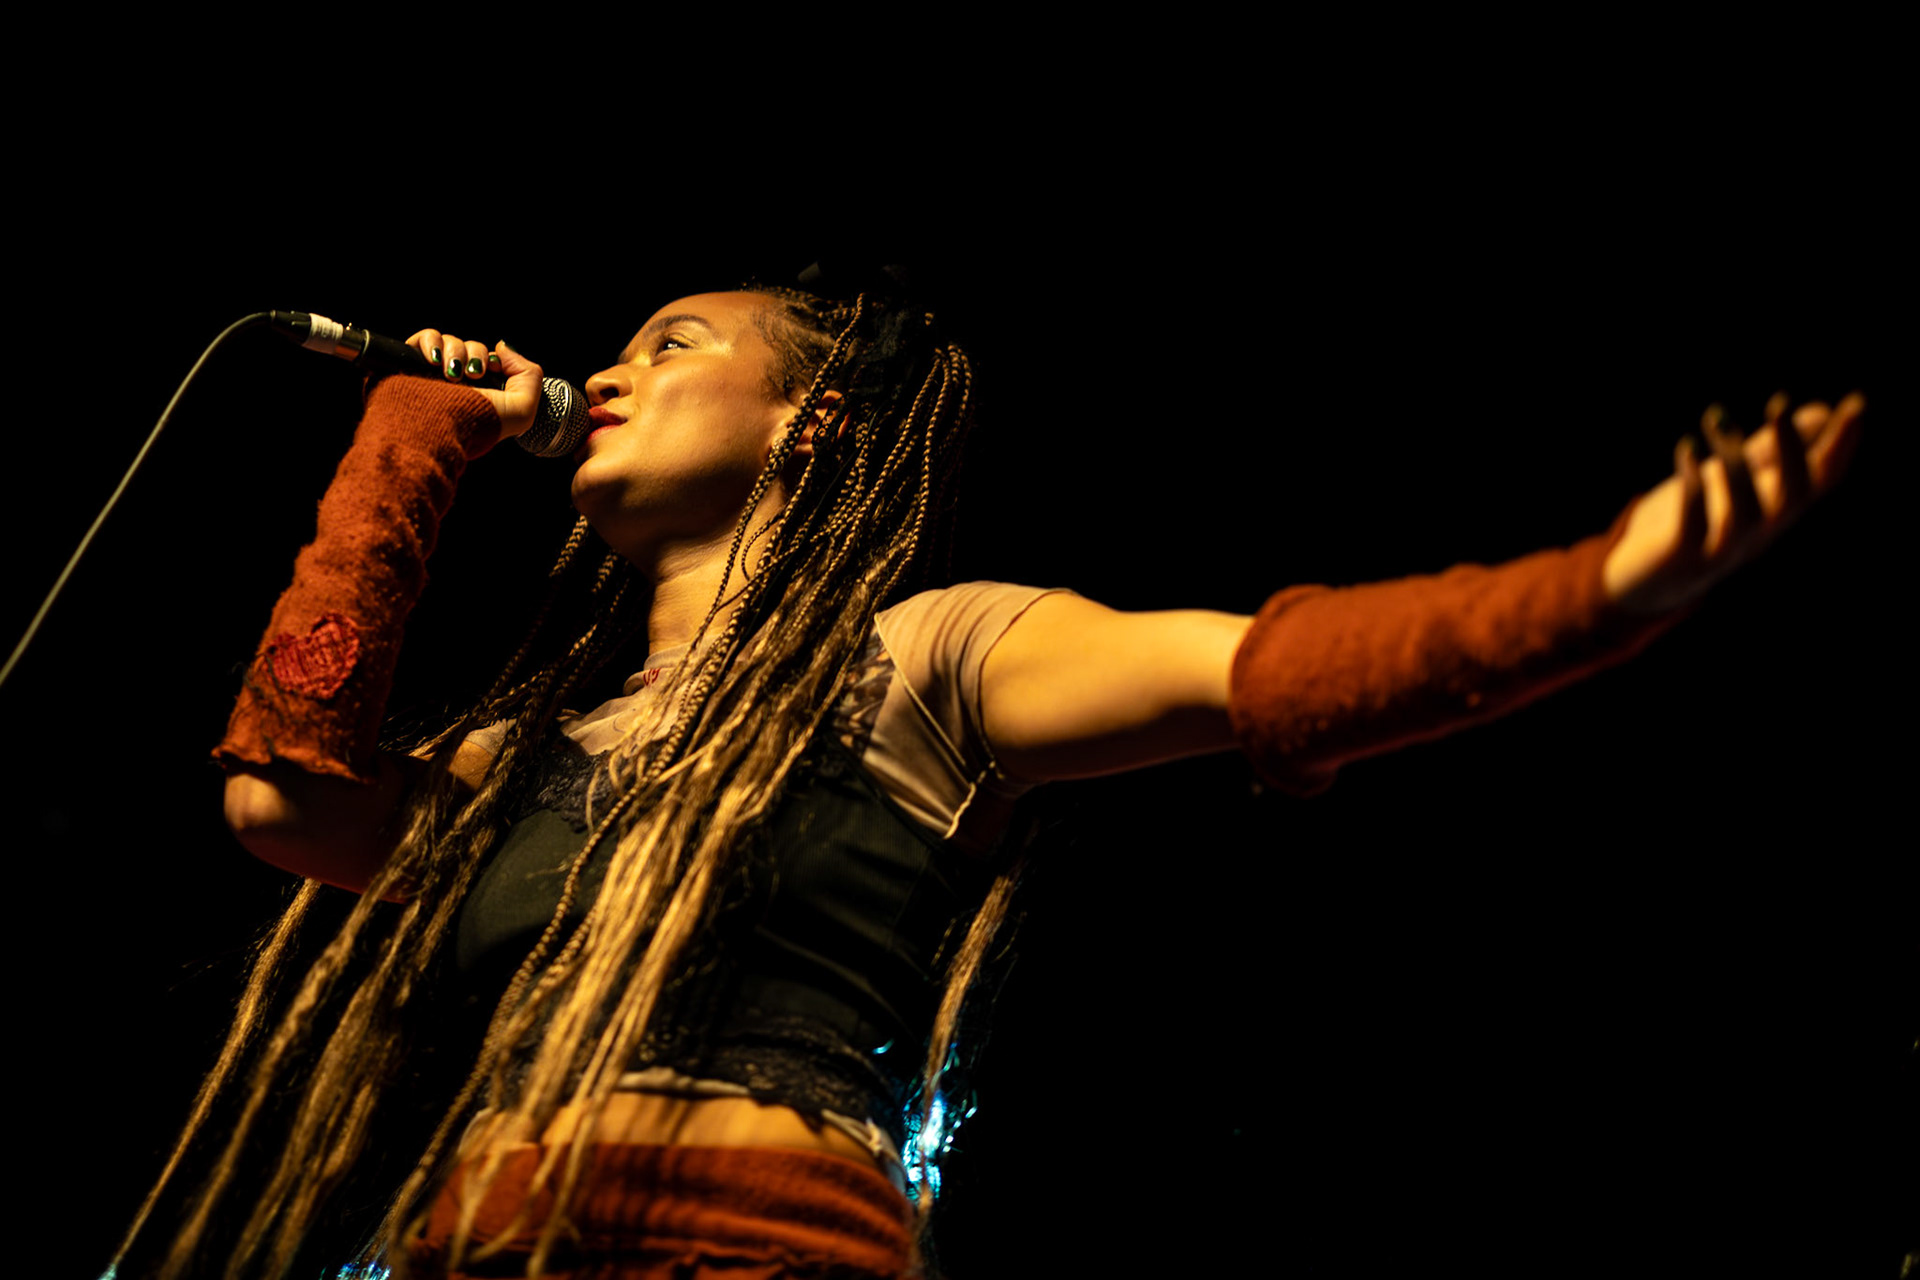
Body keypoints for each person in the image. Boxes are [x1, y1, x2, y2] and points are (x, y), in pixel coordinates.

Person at [111, 277, 1863, 1280]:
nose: (617, 371)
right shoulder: (515, 756)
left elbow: (1267, 668)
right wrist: (409, 441)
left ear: (813, 427)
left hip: (764, 1243)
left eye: (676, 342)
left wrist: (1602, 588)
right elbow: (281, 795)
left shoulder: (932, 656)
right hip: (481, 1244)